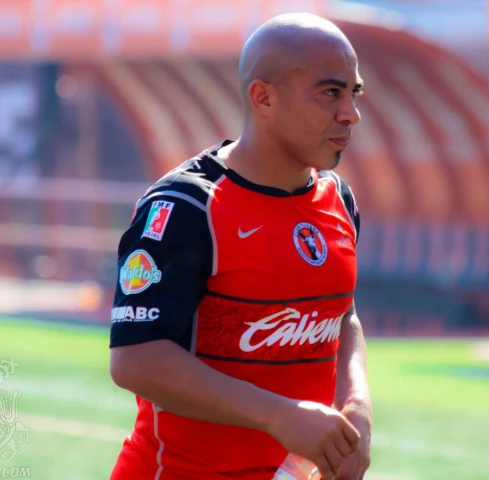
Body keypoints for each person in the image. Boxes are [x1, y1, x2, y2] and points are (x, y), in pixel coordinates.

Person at [107, 12, 372, 480]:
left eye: (354, 93)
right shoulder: (187, 208)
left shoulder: (339, 198)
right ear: (263, 97)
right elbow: (136, 359)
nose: (350, 113)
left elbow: (339, 313)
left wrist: (357, 401)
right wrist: (279, 414)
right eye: (330, 92)